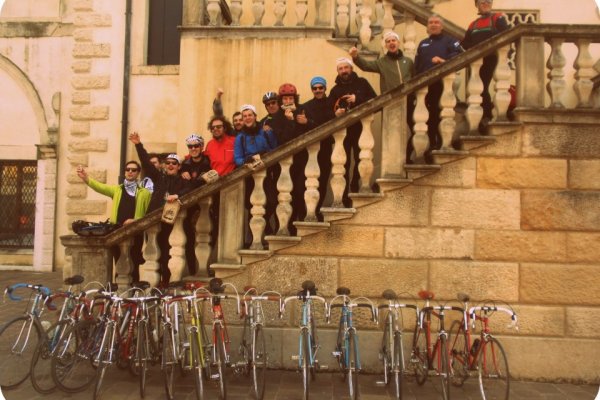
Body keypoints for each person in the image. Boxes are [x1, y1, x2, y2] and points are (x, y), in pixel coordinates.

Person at [129, 132, 192, 285]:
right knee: (151, 251)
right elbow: (146, 162)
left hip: (169, 223)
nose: (170, 165)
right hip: (152, 220)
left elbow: (191, 189)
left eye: (174, 163)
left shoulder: (182, 180)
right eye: (168, 162)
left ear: (178, 166)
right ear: (164, 165)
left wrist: (177, 195)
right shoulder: (158, 177)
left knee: (165, 254)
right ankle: (153, 283)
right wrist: (138, 144)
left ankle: (164, 283)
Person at [76, 162, 151, 282]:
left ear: (138, 173)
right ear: (125, 172)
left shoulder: (144, 193)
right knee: (118, 262)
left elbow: (149, 214)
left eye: (133, 170)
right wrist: (86, 178)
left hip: (135, 232)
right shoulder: (117, 190)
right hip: (117, 232)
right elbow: (100, 187)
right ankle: (119, 293)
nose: (130, 172)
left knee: (134, 263)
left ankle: (133, 293)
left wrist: (135, 221)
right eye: (127, 169)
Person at [328, 57, 377, 207]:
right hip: (343, 133)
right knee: (343, 164)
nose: (343, 71)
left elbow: (375, 100)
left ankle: (355, 185)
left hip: (360, 129)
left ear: (351, 68)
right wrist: (337, 113)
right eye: (340, 68)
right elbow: (329, 111)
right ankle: (342, 197)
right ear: (338, 71)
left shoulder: (362, 83)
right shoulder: (335, 90)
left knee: (360, 158)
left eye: (346, 68)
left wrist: (357, 98)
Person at [415, 14, 463, 152]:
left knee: (441, 114)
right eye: (431, 22)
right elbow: (417, 66)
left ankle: (444, 142)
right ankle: (432, 143)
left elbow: (460, 56)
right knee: (429, 116)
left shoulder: (450, 41)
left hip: (442, 85)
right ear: (427, 26)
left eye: (437, 22)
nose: (434, 25)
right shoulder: (422, 43)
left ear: (441, 26)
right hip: (425, 87)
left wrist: (443, 61)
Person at [461, 0, 509, 133]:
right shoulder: (473, 24)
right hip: (476, 62)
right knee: (474, 90)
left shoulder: (497, 17)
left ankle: (486, 116)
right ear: (476, 5)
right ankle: (480, 118)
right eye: (482, 1)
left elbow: (506, 34)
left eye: (488, 1)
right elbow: (465, 43)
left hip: (491, 59)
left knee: (482, 88)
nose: (486, 3)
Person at [234, 104, 278, 243]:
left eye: (250, 115)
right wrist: (246, 160)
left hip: (266, 171)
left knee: (272, 201)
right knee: (251, 206)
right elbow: (237, 158)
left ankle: (264, 224)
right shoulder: (240, 137)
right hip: (250, 175)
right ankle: (252, 240)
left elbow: (275, 148)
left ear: (255, 116)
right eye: (244, 116)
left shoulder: (265, 131)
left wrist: (265, 154)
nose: (247, 118)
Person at [302, 76, 335, 220]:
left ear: (325, 88)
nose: (318, 90)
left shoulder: (331, 103)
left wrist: (309, 121)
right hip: (309, 151)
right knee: (308, 182)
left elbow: (328, 124)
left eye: (320, 88)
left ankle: (317, 210)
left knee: (322, 181)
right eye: (315, 88)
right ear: (311, 90)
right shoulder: (306, 106)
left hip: (326, 148)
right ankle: (307, 212)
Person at [180, 134, 213, 275]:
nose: (193, 149)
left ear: (201, 146)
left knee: (209, 237)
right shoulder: (184, 165)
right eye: (190, 146)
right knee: (189, 239)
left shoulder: (208, 162)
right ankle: (193, 270)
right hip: (189, 206)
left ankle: (207, 268)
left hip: (206, 205)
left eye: (196, 145)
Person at [349, 31, 414, 94]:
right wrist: (356, 57)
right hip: (391, 100)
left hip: (408, 98)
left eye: (393, 40)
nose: (391, 43)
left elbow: (415, 78)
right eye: (388, 41)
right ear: (386, 46)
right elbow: (366, 66)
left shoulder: (408, 61)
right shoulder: (381, 62)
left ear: (398, 43)